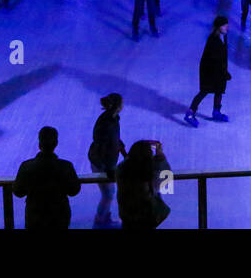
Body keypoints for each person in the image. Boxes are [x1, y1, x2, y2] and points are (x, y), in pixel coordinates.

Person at [12, 126, 82, 229]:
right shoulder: (66, 166)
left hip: (34, 217)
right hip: (59, 217)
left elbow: (18, 192)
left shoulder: (26, 166)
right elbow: (74, 190)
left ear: (39, 144)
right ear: (56, 144)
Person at [88, 93, 127, 228]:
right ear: (118, 106)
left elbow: (115, 140)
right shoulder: (108, 123)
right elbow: (104, 147)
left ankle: (103, 218)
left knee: (108, 193)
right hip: (102, 164)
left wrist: (124, 152)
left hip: (102, 162)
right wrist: (108, 168)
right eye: (122, 103)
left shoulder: (112, 119)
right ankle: (100, 220)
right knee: (108, 194)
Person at [185, 16, 231, 126]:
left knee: (219, 90)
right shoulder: (213, 40)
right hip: (210, 71)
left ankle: (216, 111)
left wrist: (224, 72)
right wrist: (223, 72)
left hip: (218, 70)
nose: (227, 27)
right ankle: (190, 113)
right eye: (224, 25)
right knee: (204, 91)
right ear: (219, 26)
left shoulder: (221, 37)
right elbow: (214, 59)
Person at [116, 140, 172, 229]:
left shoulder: (122, 171)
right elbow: (166, 175)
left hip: (127, 216)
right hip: (146, 217)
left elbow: (130, 161)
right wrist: (160, 156)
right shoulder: (150, 175)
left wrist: (140, 146)